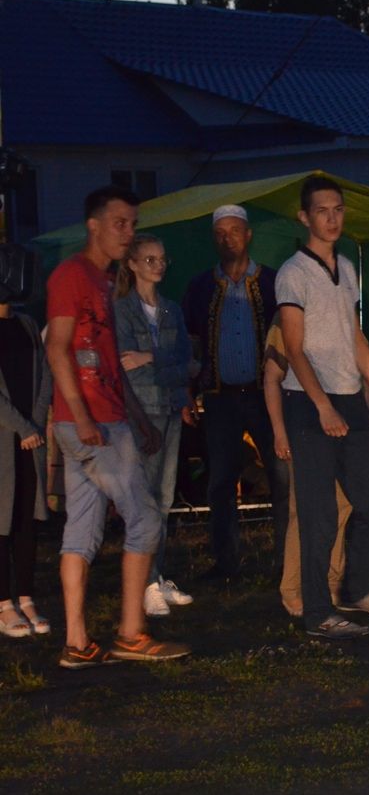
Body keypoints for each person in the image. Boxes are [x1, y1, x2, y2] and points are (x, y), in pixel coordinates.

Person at [45, 186, 190, 667]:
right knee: (145, 518)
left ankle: (76, 643)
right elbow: (58, 348)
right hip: (92, 422)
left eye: (132, 223)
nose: (127, 233)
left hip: (107, 415)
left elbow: (108, 363)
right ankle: (132, 633)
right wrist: (84, 416)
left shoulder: (106, 284)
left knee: (81, 533)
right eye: (120, 224)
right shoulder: (72, 275)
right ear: (95, 225)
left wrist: (135, 415)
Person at [275, 175, 369, 639]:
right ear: (305, 217)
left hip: (349, 399)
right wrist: (321, 405)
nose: (332, 218)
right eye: (323, 211)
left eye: (338, 210)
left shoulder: (346, 268)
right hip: (308, 404)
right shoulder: (292, 272)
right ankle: (316, 613)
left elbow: (355, 338)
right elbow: (294, 348)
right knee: (319, 514)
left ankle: (355, 590)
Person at [182, 204, 288, 581]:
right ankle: (226, 562)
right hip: (219, 396)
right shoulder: (200, 287)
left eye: (234, 231)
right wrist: (188, 392)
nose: (228, 239)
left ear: (248, 235)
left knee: (281, 475)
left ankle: (287, 562)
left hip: (267, 396)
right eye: (220, 234)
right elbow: (191, 345)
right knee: (221, 480)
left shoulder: (274, 283)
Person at [113, 234, 198, 617]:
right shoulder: (122, 311)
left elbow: (191, 363)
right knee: (143, 498)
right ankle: (145, 582)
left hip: (169, 408)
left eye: (162, 259)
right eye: (149, 260)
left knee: (163, 498)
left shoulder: (171, 311)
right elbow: (122, 365)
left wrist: (149, 357)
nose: (158, 266)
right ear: (132, 264)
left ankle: (155, 574)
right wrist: (166, 363)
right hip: (141, 412)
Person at [262, 315, 351, 618]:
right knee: (305, 507)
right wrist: (279, 431)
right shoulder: (287, 316)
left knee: (342, 503)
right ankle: (293, 588)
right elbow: (272, 377)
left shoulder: (341, 311)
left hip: (342, 421)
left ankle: (331, 580)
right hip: (304, 422)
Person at [0, 278, 52, 638]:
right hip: (6, 436)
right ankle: (4, 605)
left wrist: (35, 422)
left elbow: (45, 373)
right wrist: (21, 425)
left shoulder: (27, 324)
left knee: (25, 517)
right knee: (0, 518)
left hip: (30, 438)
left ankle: (26, 596)